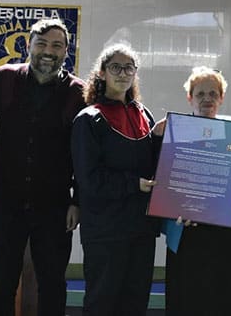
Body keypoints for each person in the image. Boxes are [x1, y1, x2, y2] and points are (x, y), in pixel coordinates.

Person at [0, 18, 85, 316]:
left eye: (56, 45)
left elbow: (86, 154)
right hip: (6, 202)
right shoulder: (5, 79)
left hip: (54, 206)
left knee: (52, 284)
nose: (48, 51)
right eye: (41, 43)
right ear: (29, 46)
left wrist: (77, 200)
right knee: (0, 283)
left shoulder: (79, 93)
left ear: (67, 50)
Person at [71, 44, 163, 315]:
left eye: (129, 68)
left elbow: (154, 168)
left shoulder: (144, 115)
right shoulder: (89, 119)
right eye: (115, 68)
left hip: (142, 228)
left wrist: (159, 140)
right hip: (106, 230)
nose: (123, 74)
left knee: (135, 303)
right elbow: (89, 179)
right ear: (101, 73)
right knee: (102, 302)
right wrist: (133, 184)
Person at [163, 66, 231, 316]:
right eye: (200, 93)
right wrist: (174, 207)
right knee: (192, 298)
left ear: (222, 97)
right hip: (188, 228)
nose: (207, 99)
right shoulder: (174, 129)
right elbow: (165, 180)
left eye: (213, 93)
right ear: (189, 97)